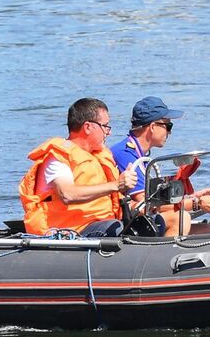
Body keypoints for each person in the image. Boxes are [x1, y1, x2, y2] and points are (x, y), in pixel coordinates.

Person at [19, 97, 137, 237]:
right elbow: (67, 194)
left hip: (101, 222)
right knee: (115, 228)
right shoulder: (57, 158)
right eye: (105, 126)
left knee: (151, 222)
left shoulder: (98, 156)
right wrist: (116, 185)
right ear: (88, 127)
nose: (108, 132)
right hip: (69, 231)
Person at [109, 95, 210, 233]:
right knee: (181, 218)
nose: (170, 132)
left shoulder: (138, 154)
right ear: (152, 127)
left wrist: (194, 197)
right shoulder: (126, 154)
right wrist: (197, 204)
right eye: (168, 126)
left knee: (205, 230)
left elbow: (155, 200)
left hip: (138, 217)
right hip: (127, 222)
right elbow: (148, 205)